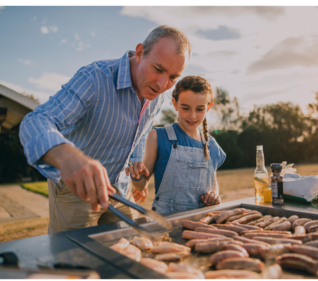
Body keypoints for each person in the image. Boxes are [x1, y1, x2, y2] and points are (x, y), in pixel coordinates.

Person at [19, 25, 191, 233]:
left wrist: (136, 163)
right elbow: (36, 120)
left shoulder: (159, 93)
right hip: (78, 192)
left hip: (121, 190)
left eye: (173, 77)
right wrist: (67, 157)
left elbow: (142, 131)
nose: (163, 84)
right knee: (77, 261)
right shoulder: (94, 78)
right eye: (158, 69)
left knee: (136, 248)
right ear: (139, 53)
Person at [126, 76, 226, 214]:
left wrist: (214, 194)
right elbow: (141, 184)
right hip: (167, 221)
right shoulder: (157, 136)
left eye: (199, 109)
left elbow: (213, 182)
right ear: (175, 104)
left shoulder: (211, 145)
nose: (192, 116)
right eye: (185, 108)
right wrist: (137, 176)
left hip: (203, 222)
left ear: (208, 107)